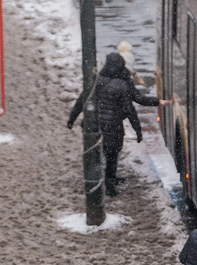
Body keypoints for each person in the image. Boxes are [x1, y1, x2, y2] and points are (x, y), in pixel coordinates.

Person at [66, 51, 166, 197]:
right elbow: (131, 109)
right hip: (114, 127)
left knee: (96, 153)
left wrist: (72, 118)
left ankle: (96, 180)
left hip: (95, 125)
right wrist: (137, 130)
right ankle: (110, 184)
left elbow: (82, 100)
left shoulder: (96, 80)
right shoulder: (123, 84)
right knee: (112, 155)